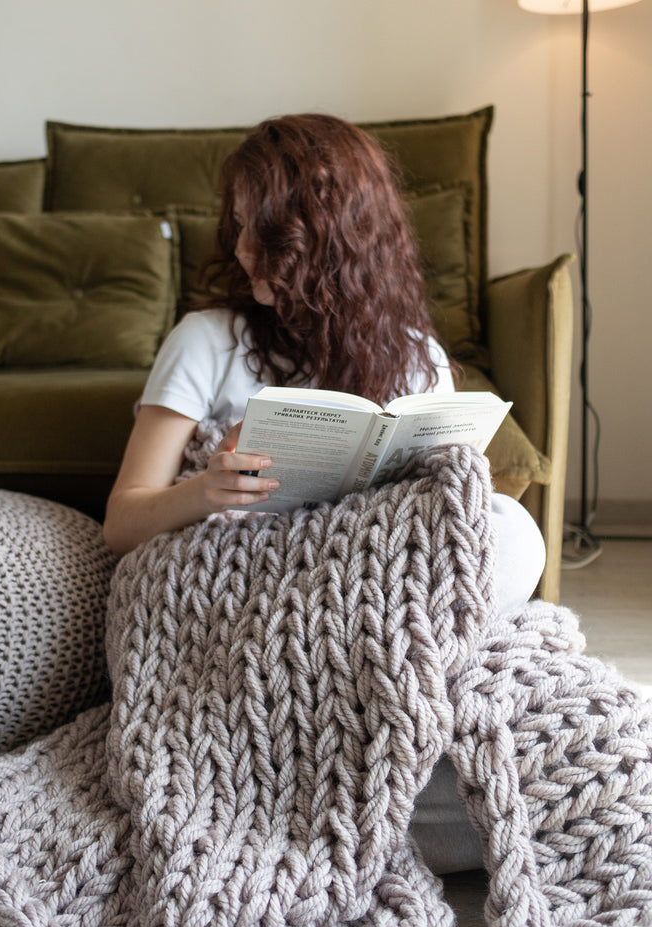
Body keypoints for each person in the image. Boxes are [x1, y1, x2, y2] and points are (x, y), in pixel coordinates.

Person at [103, 112, 545, 873]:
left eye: (265, 234)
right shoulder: (206, 341)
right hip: (246, 587)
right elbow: (122, 522)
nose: (241, 252)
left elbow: (444, 520)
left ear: (331, 237)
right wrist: (208, 490)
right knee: (475, 802)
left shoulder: (415, 359)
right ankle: (350, 769)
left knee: (509, 529)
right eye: (237, 227)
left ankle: (365, 752)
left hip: (370, 595)